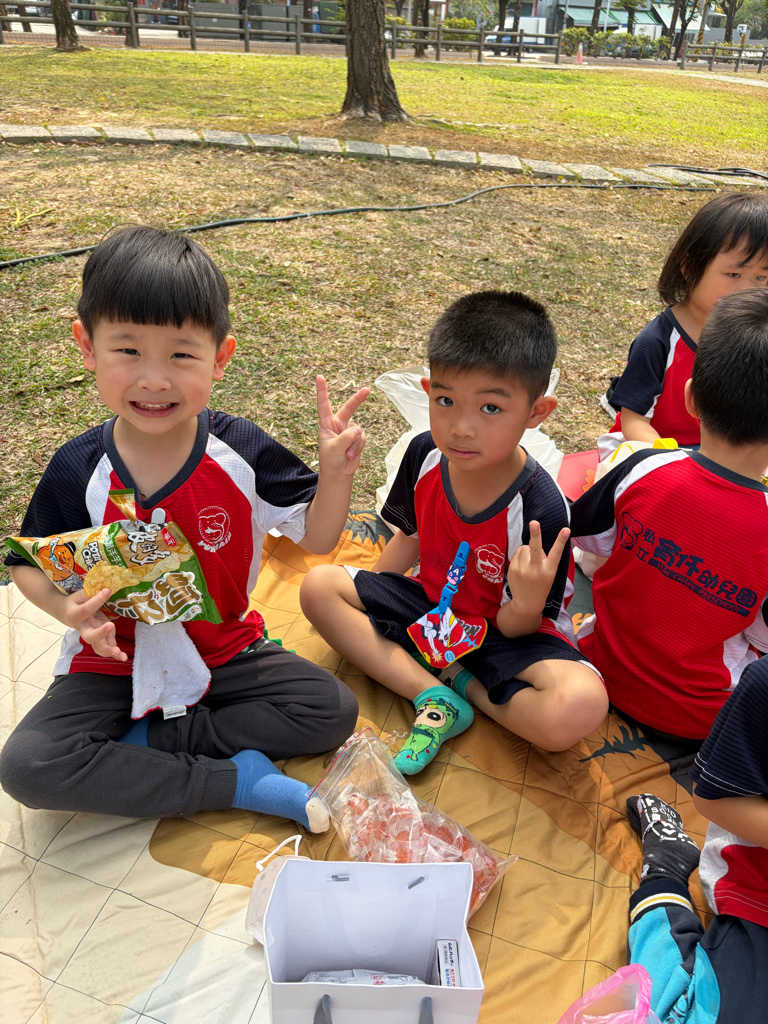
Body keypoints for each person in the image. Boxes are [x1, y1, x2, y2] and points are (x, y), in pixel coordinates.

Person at [0, 225, 367, 832]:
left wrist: (335, 476)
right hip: (113, 659)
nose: (154, 379)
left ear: (220, 357)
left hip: (224, 647)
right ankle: (235, 781)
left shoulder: (241, 450)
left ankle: (149, 741)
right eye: (128, 350)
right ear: (87, 346)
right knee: (29, 767)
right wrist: (69, 612)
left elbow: (318, 539)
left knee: (330, 709)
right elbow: (25, 564)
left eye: (181, 355)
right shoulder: (79, 467)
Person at [300, 290, 608, 775]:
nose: (461, 427)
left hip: (504, 632)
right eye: (445, 400)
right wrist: (372, 601)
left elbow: (522, 626)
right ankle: (434, 695)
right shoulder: (424, 453)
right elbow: (409, 538)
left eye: (490, 408)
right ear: (428, 391)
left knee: (579, 705)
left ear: (536, 412)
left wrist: (527, 601)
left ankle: (459, 680)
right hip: (433, 612)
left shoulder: (541, 509)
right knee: (319, 587)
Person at [570, 288, 768, 742]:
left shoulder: (639, 466)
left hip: (601, 672)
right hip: (701, 720)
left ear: (691, 398)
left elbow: (582, 541)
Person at [624, 657, 768, 1021]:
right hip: (759, 889)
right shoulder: (764, 682)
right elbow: (713, 797)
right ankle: (665, 872)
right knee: (672, 1012)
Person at [598, 192, 768, 461]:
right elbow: (634, 422)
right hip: (655, 448)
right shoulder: (658, 341)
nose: (748, 290)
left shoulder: (758, 337)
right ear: (690, 268)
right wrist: (679, 462)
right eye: (734, 274)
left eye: (761, 277)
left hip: (723, 454)